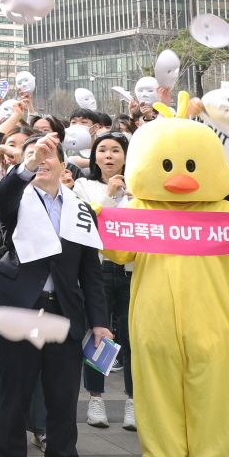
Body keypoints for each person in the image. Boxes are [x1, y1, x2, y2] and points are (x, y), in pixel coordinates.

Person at [0, 134, 111, 457]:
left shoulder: (79, 207)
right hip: (22, 308)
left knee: (61, 401)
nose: (42, 160)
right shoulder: (18, 200)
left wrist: (100, 321)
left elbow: (90, 272)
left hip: (64, 313)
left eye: (48, 156)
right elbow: (3, 194)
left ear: (64, 165)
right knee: (15, 396)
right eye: (33, 156)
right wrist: (27, 163)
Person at [72, 131, 135, 431]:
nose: (109, 156)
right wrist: (110, 195)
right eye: (103, 150)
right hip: (98, 269)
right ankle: (96, 397)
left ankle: (133, 401)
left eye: (116, 150)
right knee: (99, 333)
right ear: (94, 156)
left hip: (133, 270)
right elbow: (87, 223)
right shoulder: (84, 185)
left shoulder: (141, 188)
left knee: (132, 337)